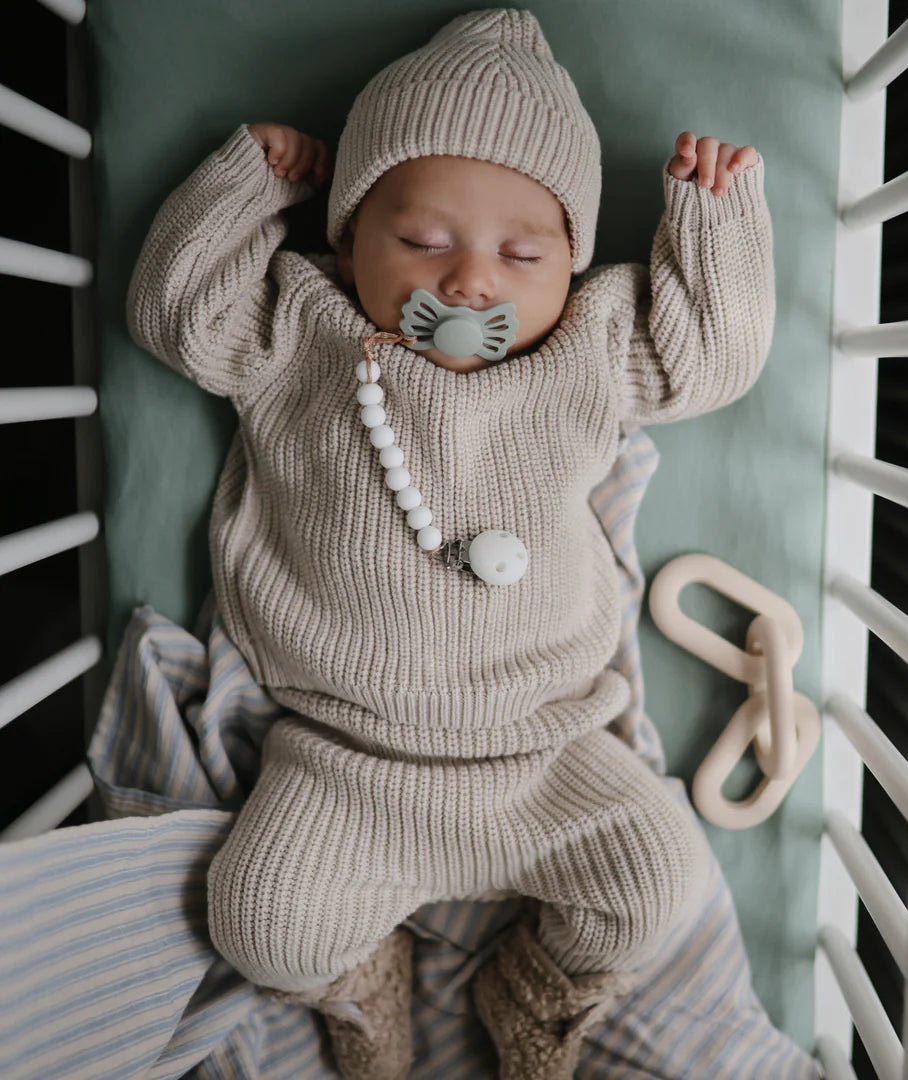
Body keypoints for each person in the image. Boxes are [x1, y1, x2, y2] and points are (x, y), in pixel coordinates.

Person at [126, 8, 774, 1079]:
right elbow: (172, 309)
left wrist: (713, 221)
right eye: (423, 240)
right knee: (259, 921)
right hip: (343, 759)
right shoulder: (299, 332)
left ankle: (532, 984)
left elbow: (711, 361)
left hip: (549, 753)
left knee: (655, 882)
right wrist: (250, 185)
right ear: (347, 237)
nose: (471, 281)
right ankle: (357, 976)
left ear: (572, 266)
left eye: (522, 253)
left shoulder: (589, 349)